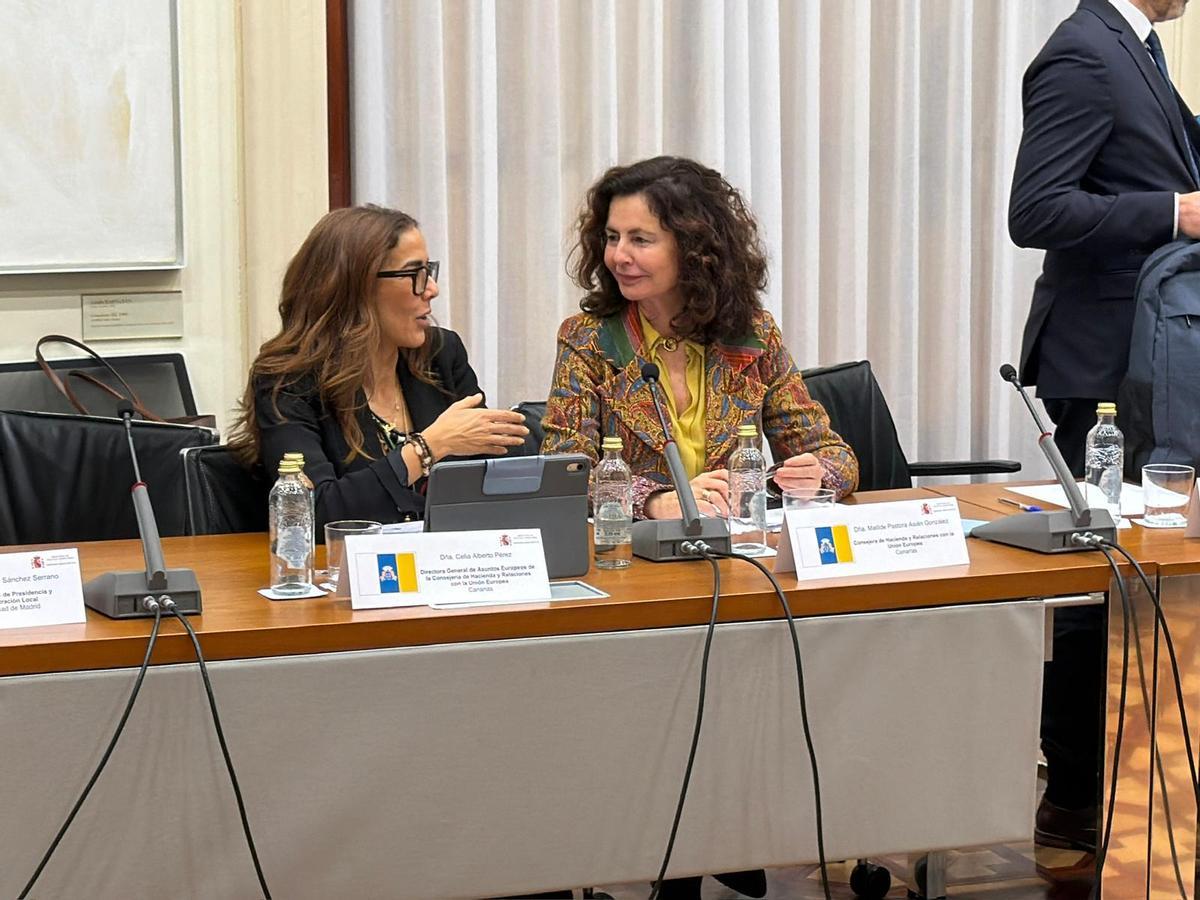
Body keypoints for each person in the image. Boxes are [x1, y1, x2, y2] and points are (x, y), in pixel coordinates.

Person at [541, 155, 858, 900]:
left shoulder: (750, 336)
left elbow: (831, 446)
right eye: (613, 236)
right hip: (634, 585)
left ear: (695, 245)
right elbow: (563, 464)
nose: (620, 255)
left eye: (642, 239)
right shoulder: (590, 341)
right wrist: (652, 499)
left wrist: (821, 476)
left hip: (736, 581)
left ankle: (741, 827)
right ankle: (669, 846)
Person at [1008, 0, 1200, 854]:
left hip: (1158, 358)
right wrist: (1174, 214)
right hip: (1104, 369)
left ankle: (1139, 791)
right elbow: (1037, 211)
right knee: (1103, 584)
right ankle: (1079, 792)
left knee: (1152, 577)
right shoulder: (1085, 53)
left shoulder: (1140, 48)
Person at [230, 204, 528, 530]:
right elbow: (313, 513)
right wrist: (427, 449)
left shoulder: (441, 355)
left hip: (444, 566)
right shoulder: (287, 380)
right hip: (344, 572)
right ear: (355, 286)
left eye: (429, 271)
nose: (432, 288)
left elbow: (486, 480)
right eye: (414, 273)